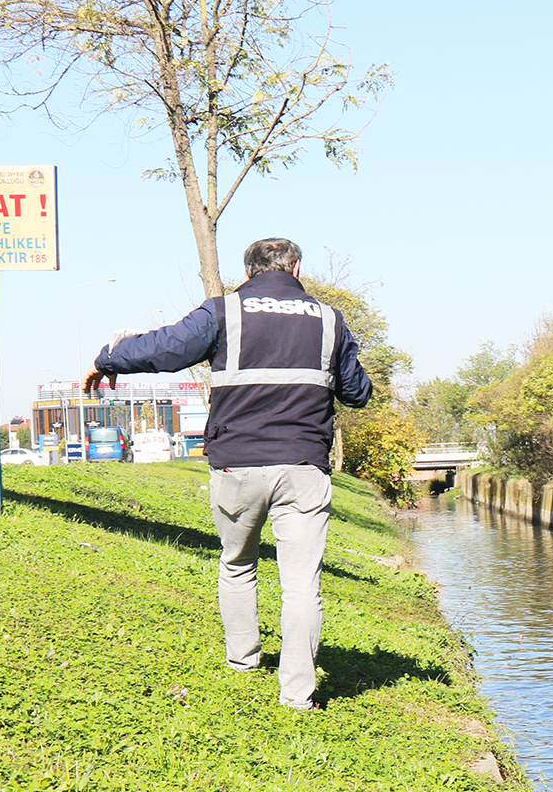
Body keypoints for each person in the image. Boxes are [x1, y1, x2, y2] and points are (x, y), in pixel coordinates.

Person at [82, 237, 373, 708]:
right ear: (296, 267)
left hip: (237, 465)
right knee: (302, 583)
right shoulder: (328, 319)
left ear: (249, 271)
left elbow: (165, 347)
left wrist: (107, 358)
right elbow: (357, 392)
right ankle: (298, 694)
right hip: (302, 467)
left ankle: (243, 662)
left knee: (238, 563)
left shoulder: (224, 311)